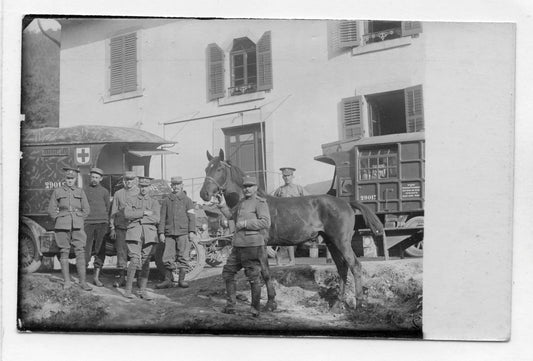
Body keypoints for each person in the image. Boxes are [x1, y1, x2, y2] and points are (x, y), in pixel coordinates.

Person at [217, 175, 271, 317]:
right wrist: (222, 204)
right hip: (238, 245)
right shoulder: (241, 203)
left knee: (253, 277)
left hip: (253, 246)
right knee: (228, 272)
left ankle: (255, 309)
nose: (247, 189)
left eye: (250, 186)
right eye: (245, 186)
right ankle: (231, 307)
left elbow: (266, 222)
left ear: (256, 188)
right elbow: (230, 216)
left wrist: (246, 224)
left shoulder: (260, 202)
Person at [47, 167, 91, 290]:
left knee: (80, 252)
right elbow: (51, 209)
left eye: (72, 178)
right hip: (62, 225)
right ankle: (67, 281)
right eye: (68, 178)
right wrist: (59, 218)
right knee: (64, 252)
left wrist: (80, 218)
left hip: (77, 225)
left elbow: (86, 209)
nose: (70, 180)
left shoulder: (80, 191)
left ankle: (83, 282)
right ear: (65, 179)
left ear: (75, 179)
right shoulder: (58, 191)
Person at [123, 177, 160, 299]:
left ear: (149, 187)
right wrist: (143, 213)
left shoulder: (154, 202)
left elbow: (156, 218)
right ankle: (128, 290)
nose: (144, 189)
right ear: (139, 187)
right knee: (134, 261)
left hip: (149, 234)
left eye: (146, 186)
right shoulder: (131, 199)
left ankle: (142, 290)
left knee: (145, 262)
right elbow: (127, 214)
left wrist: (137, 217)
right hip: (134, 233)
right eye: (142, 186)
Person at [156, 176, 196, 289]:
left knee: (183, 256)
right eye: (173, 185)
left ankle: (181, 280)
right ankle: (168, 280)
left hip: (183, 233)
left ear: (182, 185)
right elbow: (162, 218)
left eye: (178, 184)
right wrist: (161, 233)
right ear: (171, 186)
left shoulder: (188, 200)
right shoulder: (166, 201)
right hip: (169, 234)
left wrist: (191, 231)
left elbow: (192, 217)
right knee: (168, 257)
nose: (176, 187)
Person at [272, 167, 308, 266]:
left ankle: (290, 260)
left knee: (290, 239)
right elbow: (273, 203)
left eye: (288, 176)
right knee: (284, 239)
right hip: (283, 219)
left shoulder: (299, 188)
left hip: (297, 218)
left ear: (293, 176)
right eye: (285, 176)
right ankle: (282, 259)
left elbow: (308, 201)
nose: (286, 178)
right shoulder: (280, 190)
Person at [109, 171, 139, 288]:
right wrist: (112, 227)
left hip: (135, 228)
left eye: (131, 180)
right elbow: (113, 212)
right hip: (121, 227)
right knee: (121, 252)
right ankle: (122, 278)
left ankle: (136, 278)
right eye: (127, 180)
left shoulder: (139, 192)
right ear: (123, 181)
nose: (129, 182)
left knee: (135, 253)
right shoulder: (118, 194)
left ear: (135, 180)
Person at [84, 167, 110, 287]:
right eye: (92, 177)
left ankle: (96, 277)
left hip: (102, 224)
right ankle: (83, 278)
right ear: (90, 177)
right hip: (88, 223)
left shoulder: (105, 191)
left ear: (101, 179)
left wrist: (106, 222)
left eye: (96, 177)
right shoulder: (83, 190)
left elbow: (107, 208)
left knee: (100, 250)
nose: (94, 179)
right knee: (86, 249)